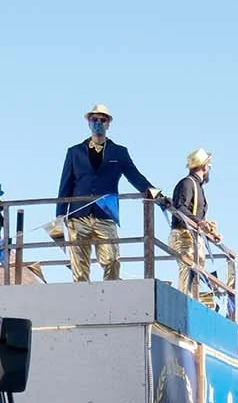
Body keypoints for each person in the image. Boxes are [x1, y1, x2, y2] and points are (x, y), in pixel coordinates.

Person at [50, 104, 161, 282]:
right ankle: (81, 299)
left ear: (108, 123)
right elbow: (66, 183)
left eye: (103, 119)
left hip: (105, 214)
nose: (98, 123)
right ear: (88, 122)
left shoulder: (119, 152)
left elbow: (135, 176)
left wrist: (155, 193)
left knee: (112, 260)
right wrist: (60, 212)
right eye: (95, 119)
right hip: (78, 214)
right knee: (79, 266)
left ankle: (110, 293)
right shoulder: (74, 152)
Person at [167, 148, 230, 298]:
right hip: (183, 235)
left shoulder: (197, 187)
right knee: (188, 265)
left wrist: (209, 232)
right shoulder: (187, 184)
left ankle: (191, 299)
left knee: (197, 267)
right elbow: (180, 207)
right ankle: (185, 300)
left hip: (193, 237)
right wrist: (200, 223)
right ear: (204, 166)